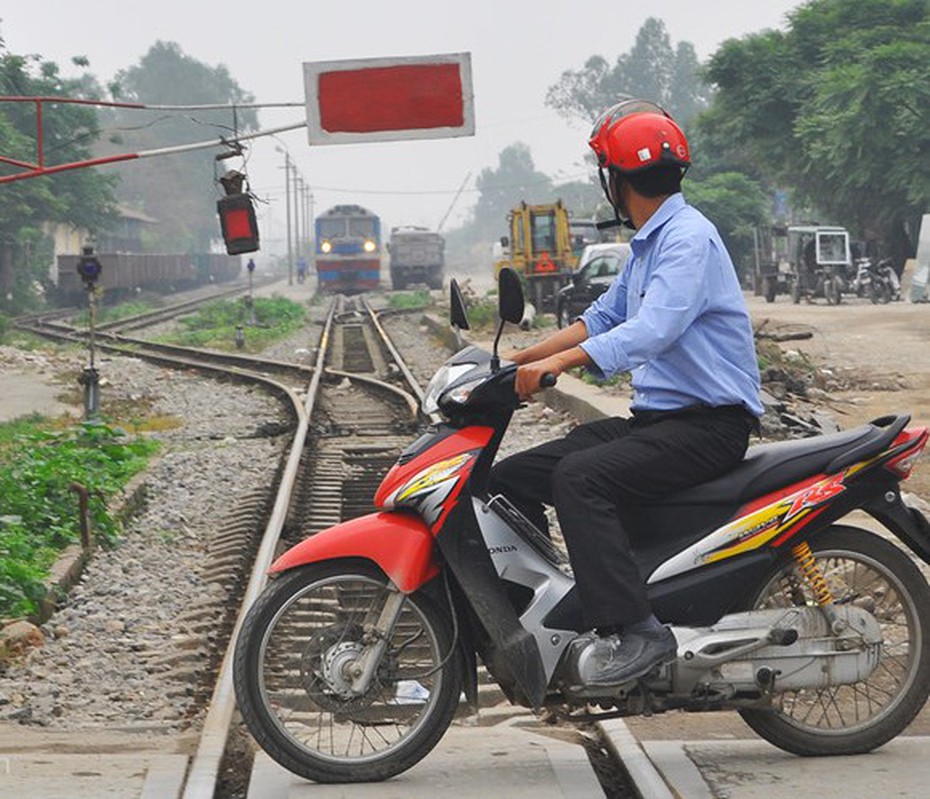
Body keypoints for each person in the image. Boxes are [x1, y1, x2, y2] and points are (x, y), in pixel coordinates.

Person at [488, 99, 763, 687]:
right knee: (513, 477)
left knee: (581, 478)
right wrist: (512, 360)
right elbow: (603, 316)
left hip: (708, 426)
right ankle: (563, 610)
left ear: (618, 179)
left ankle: (638, 629)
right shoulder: (649, 242)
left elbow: (653, 328)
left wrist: (558, 365)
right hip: (661, 422)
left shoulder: (687, 238)